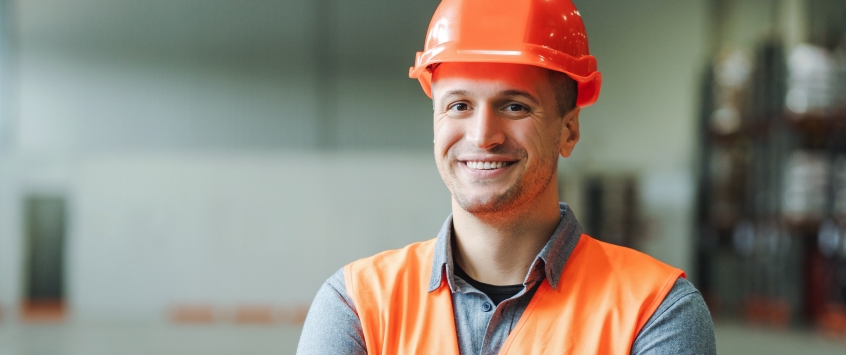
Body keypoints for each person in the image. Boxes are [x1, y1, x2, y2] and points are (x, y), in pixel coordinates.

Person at [297, 0, 716, 354]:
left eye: (515, 106)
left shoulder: (656, 310)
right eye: (458, 105)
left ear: (568, 131)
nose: (482, 136)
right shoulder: (357, 305)